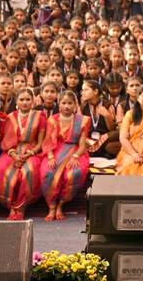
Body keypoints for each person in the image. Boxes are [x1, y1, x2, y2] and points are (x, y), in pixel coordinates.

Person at [0, 88, 46, 220]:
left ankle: (21, 206)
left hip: (32, 151)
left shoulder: (39, 116)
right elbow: (6, 141)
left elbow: (40, 142)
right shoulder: (11, 117)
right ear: (17, 101)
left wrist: (29, 154)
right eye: (21, 99)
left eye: (28, 99)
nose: (25, 102)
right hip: (11, 151)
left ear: (33, 101)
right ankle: (11, 207)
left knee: (29, 171)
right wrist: (14, 155)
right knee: (3, 169)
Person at [40, 90, 90, 221]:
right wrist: (50, 157)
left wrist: (75, 157)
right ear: (59, 104)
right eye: (63, 103)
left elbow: (82, 145)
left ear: (75, 105)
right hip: (54, 150)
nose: (67, 106)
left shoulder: (83, 120)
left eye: (70, 103)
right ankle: (51, 206)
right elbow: (48, 141)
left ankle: (60, 205)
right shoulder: (52, 119)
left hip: (76, 151)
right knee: (48, 172)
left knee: (73, 173)